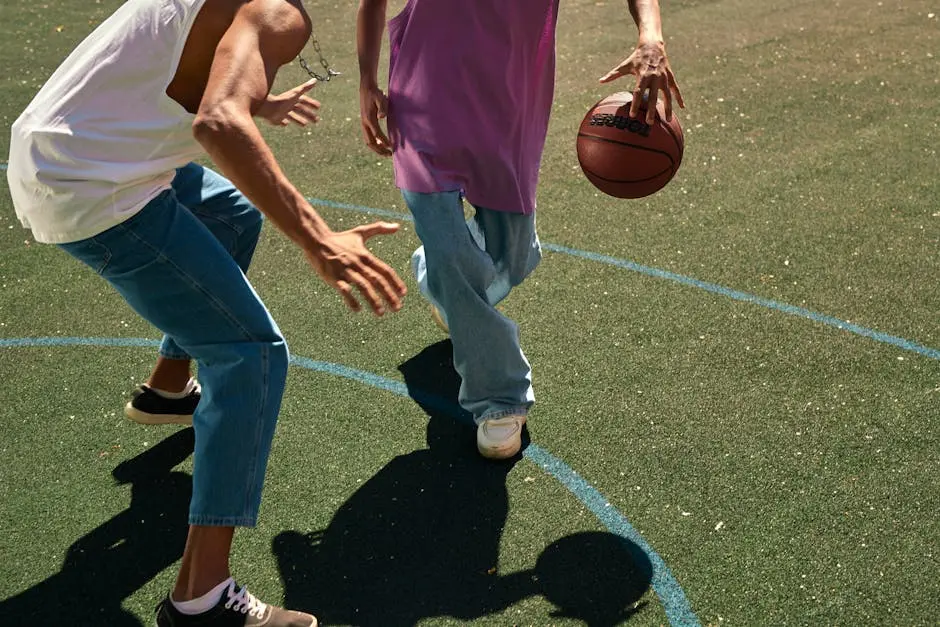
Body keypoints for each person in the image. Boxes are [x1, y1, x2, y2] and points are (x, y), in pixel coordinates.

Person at [6, 0, 408, 623]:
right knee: (249, 353)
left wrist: (258, 103)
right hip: (92, 184)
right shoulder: (279, 14)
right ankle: (201, 600)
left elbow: (182, 76)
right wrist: (320, 240)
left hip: (60, 149)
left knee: (231, 213)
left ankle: (167, 391)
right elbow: (218, 122)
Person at [357, 0, 684, 459]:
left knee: (513, 256)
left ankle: (442, 280)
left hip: (511, 99)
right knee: (454, 255)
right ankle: (499, 399)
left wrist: (651, 36)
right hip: (423, 93)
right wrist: (367, 79)